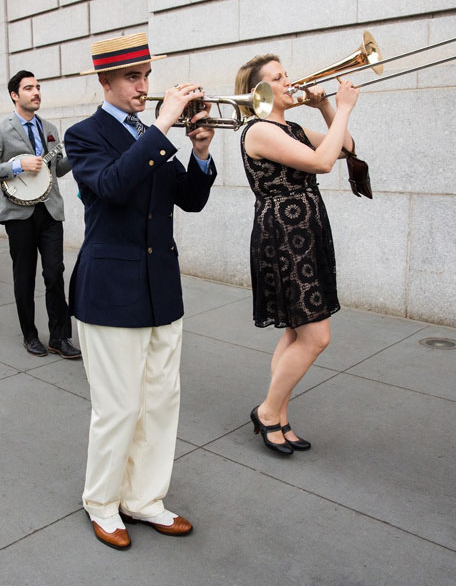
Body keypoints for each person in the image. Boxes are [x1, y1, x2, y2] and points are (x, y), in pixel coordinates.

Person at [65, 32, 217, 550]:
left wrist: (198, 152)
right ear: (105, 82)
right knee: (118, 407)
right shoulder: (83, 135)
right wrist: (163, 125)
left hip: (160, 289)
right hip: (108, 292)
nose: (144, 86)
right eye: (134, 77)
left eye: (147, 76)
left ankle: (144, 499)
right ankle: (102, 502)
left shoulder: (151, 134)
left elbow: (188, 201)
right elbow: (110, 187)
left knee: (159, 403)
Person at [234, 54, 359, 455]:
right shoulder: (258, 131)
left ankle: (281, 417)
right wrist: (343, 107)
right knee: (316, 336)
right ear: (260, 92)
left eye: (286, 74)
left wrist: (326, 106)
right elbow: (323, 163)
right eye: (278, 78)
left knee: (296, 331)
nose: (289, 82)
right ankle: (268, 412)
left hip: (306, 231)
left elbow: (346, 148)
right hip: (284, 236)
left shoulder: (291, 128)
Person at [0, 70, 81, 359]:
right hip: (18, 214)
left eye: (38, 87)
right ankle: (30, 335)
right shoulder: (1, 129)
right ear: (14, 95)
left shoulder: (49, 129)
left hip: (50, 211)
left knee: (55, 273)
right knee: (24, 276)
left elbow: (57, 169)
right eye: (28, 88)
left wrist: (75, 153)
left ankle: (59, 337)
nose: (36, 92)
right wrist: (17, 166)